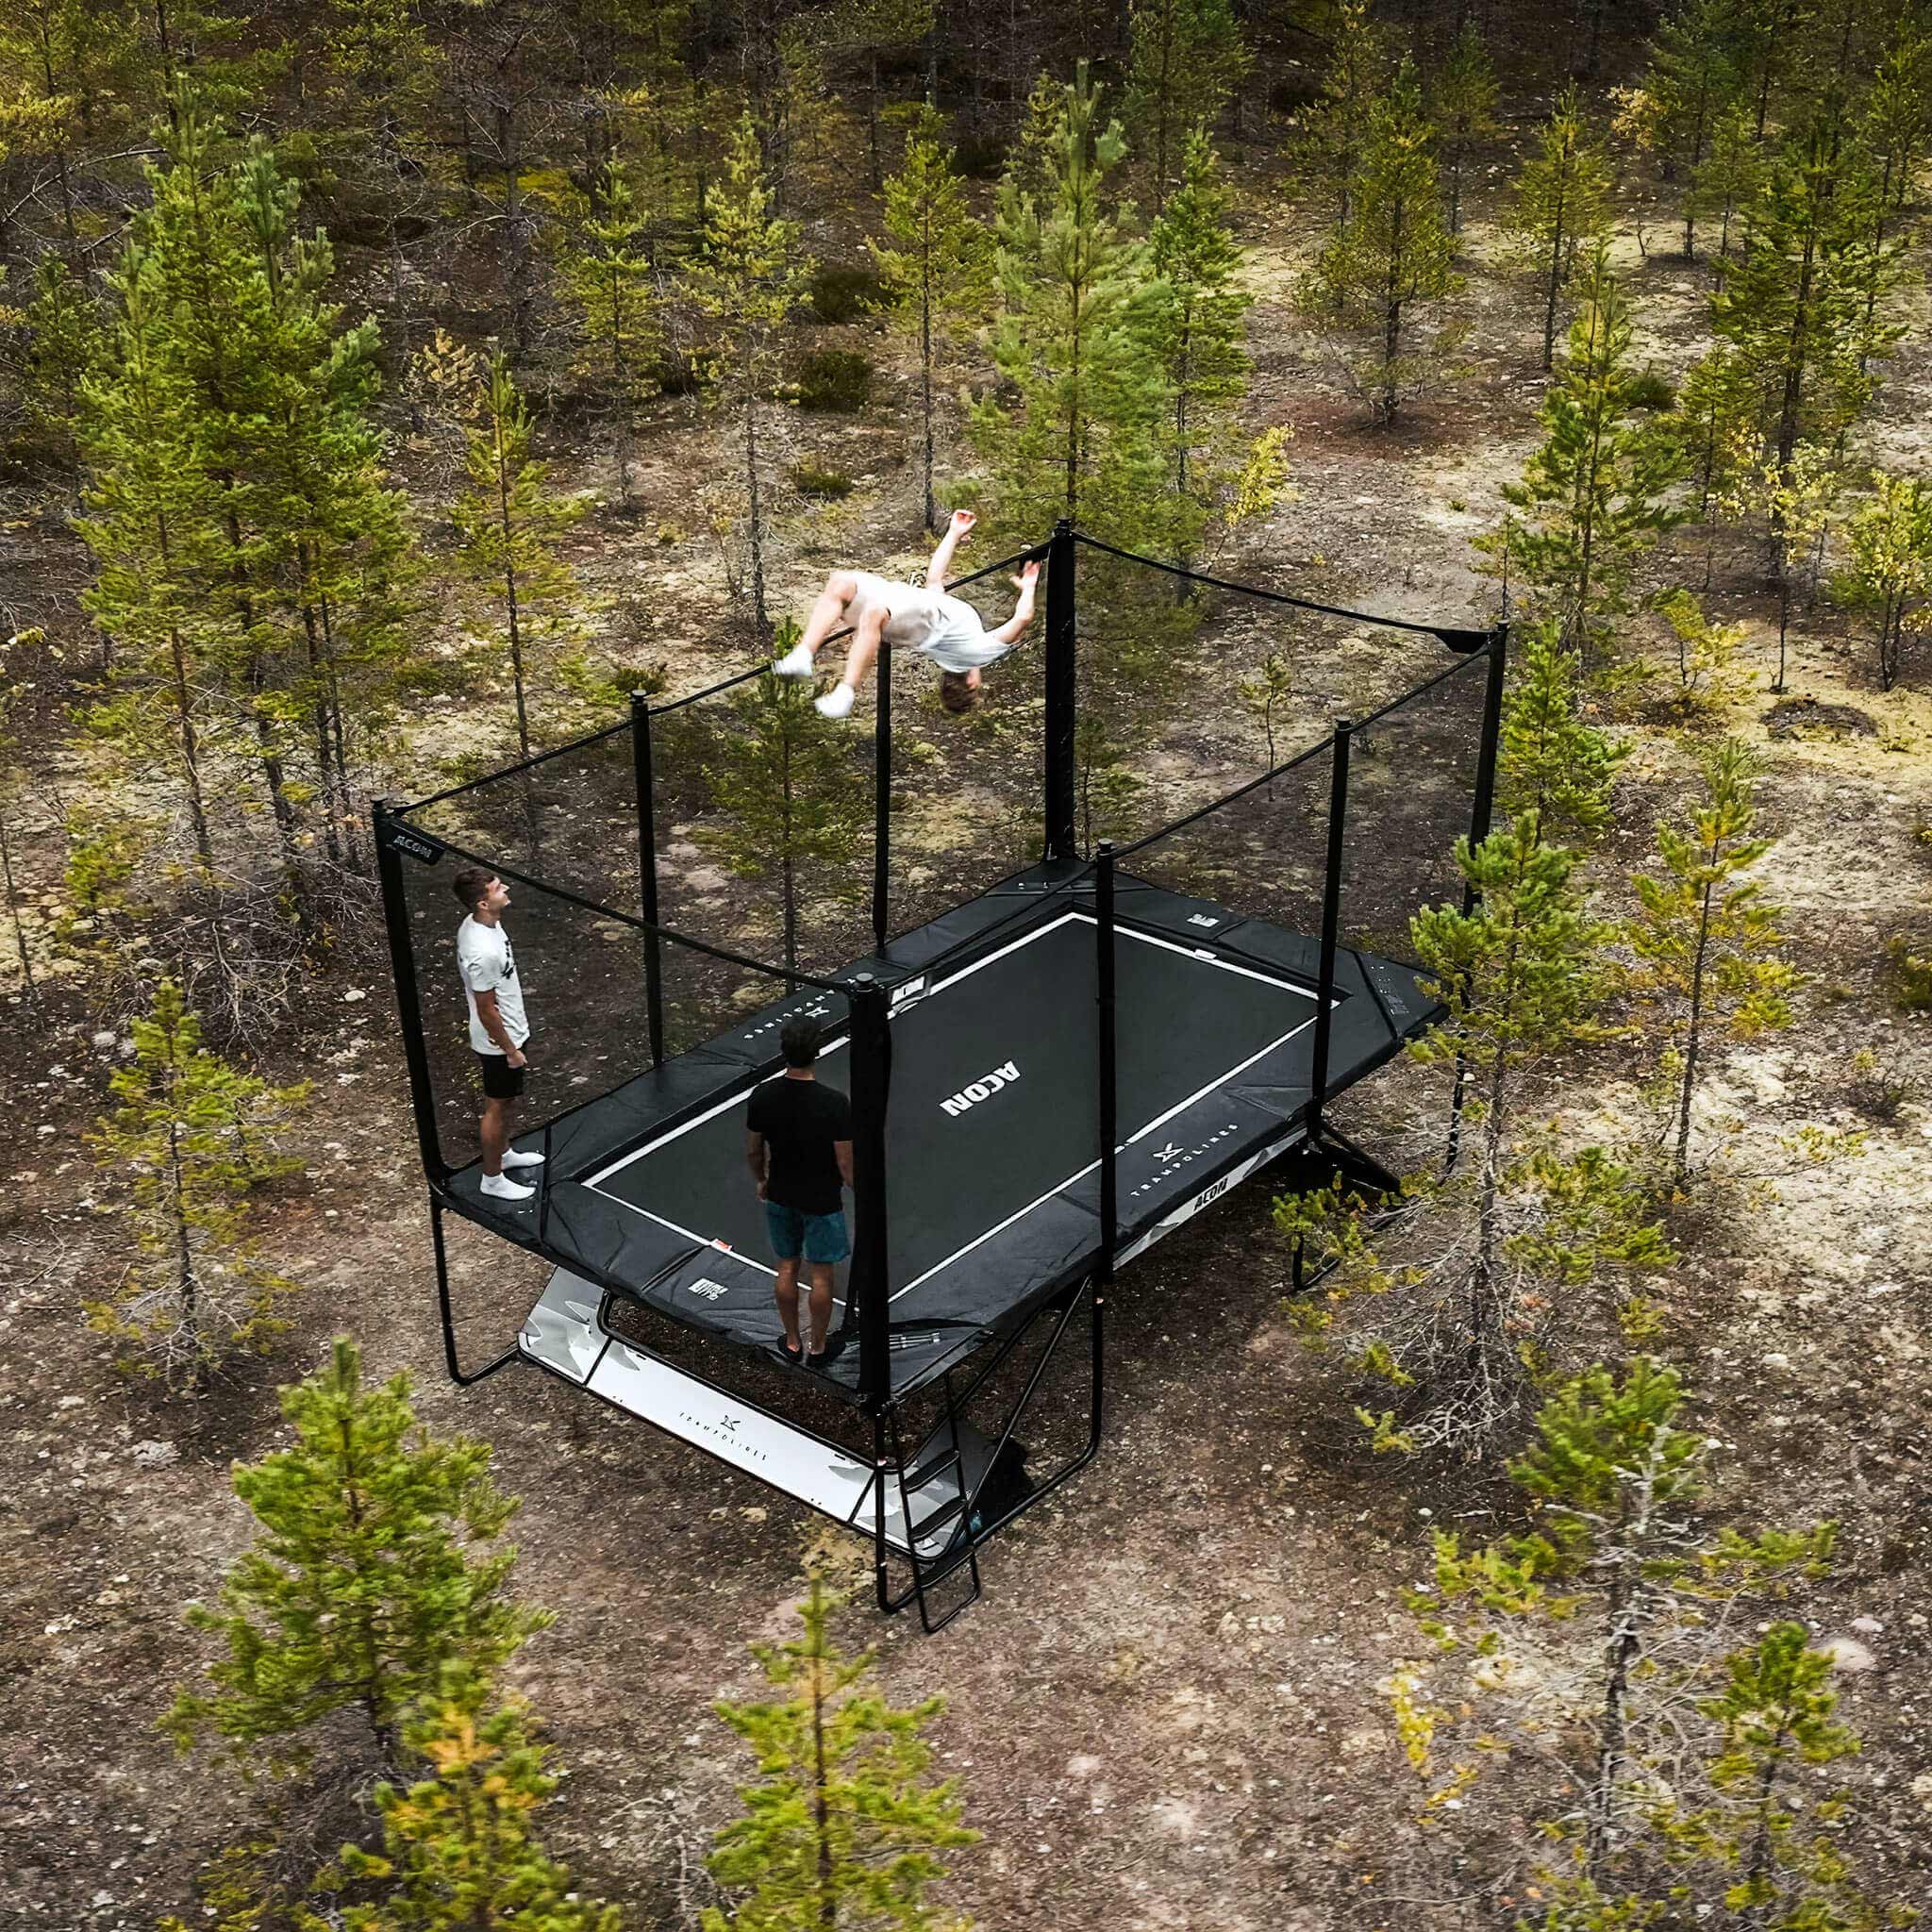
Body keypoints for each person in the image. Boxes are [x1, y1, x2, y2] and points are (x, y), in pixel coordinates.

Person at [771, 508, 1039, 719]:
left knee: (872, 612)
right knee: (840, 584)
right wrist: (954, 534)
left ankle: (846, 691)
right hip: (906, 603)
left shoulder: (978, 652)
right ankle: (804, 654)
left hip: (920, 618)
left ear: (971, 681)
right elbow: (935, 579)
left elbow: (1023, 618)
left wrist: (1029, 586)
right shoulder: (962, 642)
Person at [744, 1014, 854, 1365]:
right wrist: (860, 1192)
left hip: (781, 1194)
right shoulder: (834, 1103)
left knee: (787, 1267)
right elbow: (845, 1164)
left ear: (784, 1051)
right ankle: (819, 1348)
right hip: (822, 1200)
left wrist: (762, 1180)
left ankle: (792, 1342)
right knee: (821, 1274)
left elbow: (753, 1149)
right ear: (816, 1052)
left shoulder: (763, 1095)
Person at [452, 866, 545, 1203]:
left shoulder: (486, 923)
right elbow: (486, 1009)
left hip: (512, 1028)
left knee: (506, 1103)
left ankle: (504, 1154)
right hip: (498, 1042)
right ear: (482, 903)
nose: (504, 889)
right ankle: (492, 1178)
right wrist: (510, 1049)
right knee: (497, 1106)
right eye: (496, 888)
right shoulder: (482, 951)